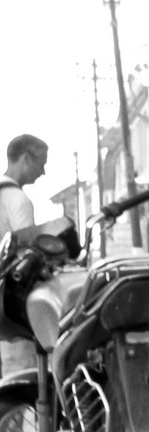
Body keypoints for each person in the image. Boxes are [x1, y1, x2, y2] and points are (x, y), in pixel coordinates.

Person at [0, 134, 46, 378]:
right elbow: (25, 259)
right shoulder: (19, 200)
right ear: (26, 158)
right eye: (42, 162)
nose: (44, 171)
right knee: (22, 377)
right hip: (10, 307)